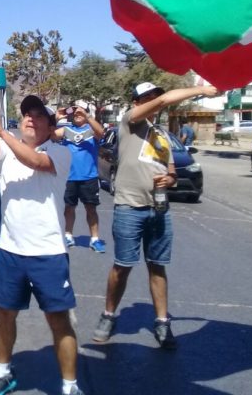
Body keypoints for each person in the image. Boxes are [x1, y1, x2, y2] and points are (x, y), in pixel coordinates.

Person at [0, 87, 83, 395]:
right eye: (26, 115)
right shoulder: (6, 150)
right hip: (10, 251)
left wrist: (2, 133)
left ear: (50, 126)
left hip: (49, 253)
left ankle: (70, 386)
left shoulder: (59, 153)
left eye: (39, 116)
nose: (31, 119)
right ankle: (4, 372)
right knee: (3, 314)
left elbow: (36, 162)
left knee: (59, 320)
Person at [92, 82, 218, 350]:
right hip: (129, 206)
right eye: (147, 97)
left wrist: (169, 179)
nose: (153, 101)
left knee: (157, 266)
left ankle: (162, 322)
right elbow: (162, 102)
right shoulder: (129, 121)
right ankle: (108, 315)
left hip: (159, 209)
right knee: (122, 266)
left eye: (155, 97)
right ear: (136, 103)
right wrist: (199, 91)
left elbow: (171, 172)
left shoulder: (161, 135)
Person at [53, 104, 106, 253]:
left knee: (91, 209)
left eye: (80, 112)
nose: (77, 114)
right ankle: (68, 235)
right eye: (75, 113)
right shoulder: (66, 130)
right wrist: (56, 118)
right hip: (69, 177)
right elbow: (50, 135)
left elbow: (101, 133)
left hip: (89, 177)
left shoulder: (91, 130)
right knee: (69, 208)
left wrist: (87, 116)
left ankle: (95, 239)